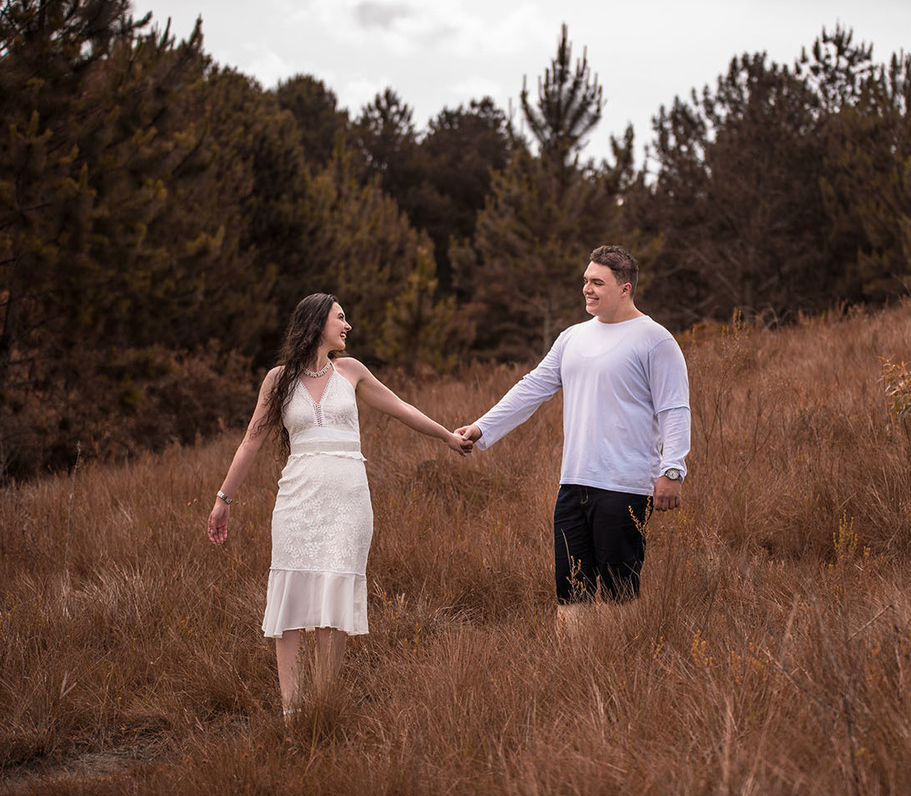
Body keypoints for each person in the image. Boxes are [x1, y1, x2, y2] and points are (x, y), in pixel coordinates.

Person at [207, 293, 473, 716]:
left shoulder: (350, 371)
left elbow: (401, 408)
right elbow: (250, 441)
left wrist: (447, 436)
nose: (347, 326)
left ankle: (324, 702)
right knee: (291, 594)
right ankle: (292, 709)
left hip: (348, 500)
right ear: (317, 324)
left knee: (336, 589)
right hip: (297, 499)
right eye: (341, 318)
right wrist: (224, 499)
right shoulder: (278, 380)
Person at [455, 245, 690, 631]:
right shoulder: (572, 338)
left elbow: (674, 409)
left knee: (619, 592)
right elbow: (533, 388)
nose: (587, 289)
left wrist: (673, 470)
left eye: (598, 282)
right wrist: (482, 429)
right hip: (573, 484)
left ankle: (620, 666)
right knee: (570, 591)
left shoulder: (655, 340)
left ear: (625, 288)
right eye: (586, 281)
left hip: (624, 486)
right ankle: (572, 674)